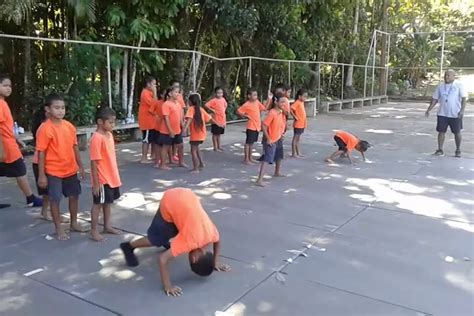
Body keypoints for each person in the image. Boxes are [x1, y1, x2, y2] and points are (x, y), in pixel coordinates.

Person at [119, 187, 231, 297]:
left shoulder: (212, 234)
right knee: (157, 239)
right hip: (170, 201)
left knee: (174, 232)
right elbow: (162, 259)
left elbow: (218, 241)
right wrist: (168, 286)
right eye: (190, 261)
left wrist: (216, 262)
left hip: (186, 194)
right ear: (194, 258)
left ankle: (166, 239)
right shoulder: (189, 242)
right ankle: (128, 246)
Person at [36, 94, 86, 240]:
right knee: (55, 199)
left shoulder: (69, 127)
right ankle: (58, 228)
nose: (60, 111)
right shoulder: (45, 129)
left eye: (63, 108)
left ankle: (74, 223)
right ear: (48, 109)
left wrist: (81, 166)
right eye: (56, 108)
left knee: (74, 196)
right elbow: (41, 153)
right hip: (53, 171)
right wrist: (42, 174)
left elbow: (75, 147)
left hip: (70, 169)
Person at [0, 73, 42, 209]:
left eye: (10, 86)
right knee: (20, 169)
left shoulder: (3, 103)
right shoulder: (0, 104)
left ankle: (30, 198)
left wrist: (16, 138)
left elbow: (5, 126)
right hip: (5, 145)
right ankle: (30, 198)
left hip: (8, 142)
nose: (8, 88)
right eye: (5, 85)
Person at [89, 107, 122, 242]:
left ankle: (107, 226)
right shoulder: (96, 138)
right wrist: (96, 183)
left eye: (114, 122)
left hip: (111, 176)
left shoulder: (108, 135)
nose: (112, 125)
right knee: (98, 204)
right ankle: (93, 230)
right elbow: (94, 162)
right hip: (102, 178)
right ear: (100, 122)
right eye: (110, 122)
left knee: (108, 203)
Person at [425, 69, 468, 157]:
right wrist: (429, 109)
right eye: (445, 75)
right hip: (442, 113)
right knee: (441, 131)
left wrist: (462, 111)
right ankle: (440, 149)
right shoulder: (440, 86)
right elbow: (435, 99)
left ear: (453, 76)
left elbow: (464, 99)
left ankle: (458, 149)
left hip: (455, 113)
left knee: (457, 132)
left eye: (448, 75)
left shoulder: (459, 85)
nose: (446, 77)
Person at [184, 93, 221, 173]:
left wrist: (185, 128)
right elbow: (210, 118)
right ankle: (201, 163)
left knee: (193, 150)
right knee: (197, 148)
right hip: (202, 134)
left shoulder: (191, 109)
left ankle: (196, 168)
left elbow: (189, 119)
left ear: (190, 101)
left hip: (195, 134)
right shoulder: (201, 109)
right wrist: (218, 124)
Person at [256, 95, 286, 187]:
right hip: (271, 139)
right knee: (267, 159)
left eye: (284, 102)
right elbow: (264, 125)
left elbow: (279, 125)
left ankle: (277, 172)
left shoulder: (280, 112)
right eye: (281, 102)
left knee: (279, 156)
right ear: (276, 102)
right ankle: (259, 180)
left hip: (278, 138)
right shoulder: (272, 113)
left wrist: (281, 134)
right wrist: (268, 138)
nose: (283, 104)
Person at [158, 86, 187, 170]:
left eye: (178, 92)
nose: (177, 94)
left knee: (180, 146)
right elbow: (166, 118)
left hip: (177, 129)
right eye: (176, 92)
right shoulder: (166, 104)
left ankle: (181, 162)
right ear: (170, 93)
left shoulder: (178, 103)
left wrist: (182, 126)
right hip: (167, 130)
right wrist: (170, 130)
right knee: (166, 146)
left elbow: (180, 116)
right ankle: (162, 164)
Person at [237, 88, 266, 164]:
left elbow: (264, 108)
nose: (256, 96)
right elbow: (239, 111)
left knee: (252, 143)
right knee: (248, 143)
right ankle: (246, 159)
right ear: (249, 96)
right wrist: (245, 116)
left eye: (256, 95)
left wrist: (269, 99)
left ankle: (250, 157)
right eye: (254, 95)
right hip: (251, 126)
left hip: (257, 126)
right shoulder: (247, 104)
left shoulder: (257, 102)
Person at [31, 105, 51, 219]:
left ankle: (46, 211)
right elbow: (41, 150)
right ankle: (45, 212)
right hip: (40, 162)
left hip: (47, 162)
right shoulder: (43, 127)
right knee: (46, 190)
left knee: (49, 191)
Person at [138, 76, 159, 163]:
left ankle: (153, 155)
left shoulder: (149, 93)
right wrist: (155, 93)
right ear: (148, 84)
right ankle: (144, 158)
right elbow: (153, 104)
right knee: (146, 139)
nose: (155, 86)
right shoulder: (145, 93)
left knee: (153, 139)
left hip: (153, 121)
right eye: (153, 84)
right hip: (147, 121)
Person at [205, 87, 227, 152]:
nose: (220, 94)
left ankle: (219, 146)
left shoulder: (223, 99)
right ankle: (215, 147)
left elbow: (225, 105)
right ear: (215, 93)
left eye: (221, 93)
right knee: (215, 134)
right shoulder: (213, 100)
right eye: (218, 93)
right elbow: (206, 105)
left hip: (222, 119)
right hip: (215, 120)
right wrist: (213, 110)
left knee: (219, 134)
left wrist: (223, 111)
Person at [290, 89, 308, 158]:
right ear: (299, 96)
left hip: (302, 123)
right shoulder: (297, 102)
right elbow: (291, 109)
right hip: (298, 123)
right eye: (304, 96)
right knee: (295, 138)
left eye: (306, 97)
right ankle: (293, 153)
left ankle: (298, 152)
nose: (305, 98)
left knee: (298, 139)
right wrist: (295, 117)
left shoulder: (301, 102)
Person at [150, 89, 165, 168]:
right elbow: (151, 110)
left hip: (165, 128)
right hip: (158, 127)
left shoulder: (167, 103)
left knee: (165, 145)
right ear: (161, 95)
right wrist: (157, 116)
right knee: (157, 145)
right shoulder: (158, 102)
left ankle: (163, 161)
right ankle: (157, 161)